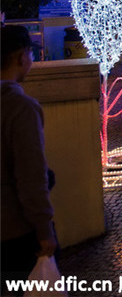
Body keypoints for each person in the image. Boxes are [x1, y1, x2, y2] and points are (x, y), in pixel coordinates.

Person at [1, 26, 57, 294]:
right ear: (21, 57)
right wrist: (44, 228)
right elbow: (30, 175)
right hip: (13, 228)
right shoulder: (21, 108)